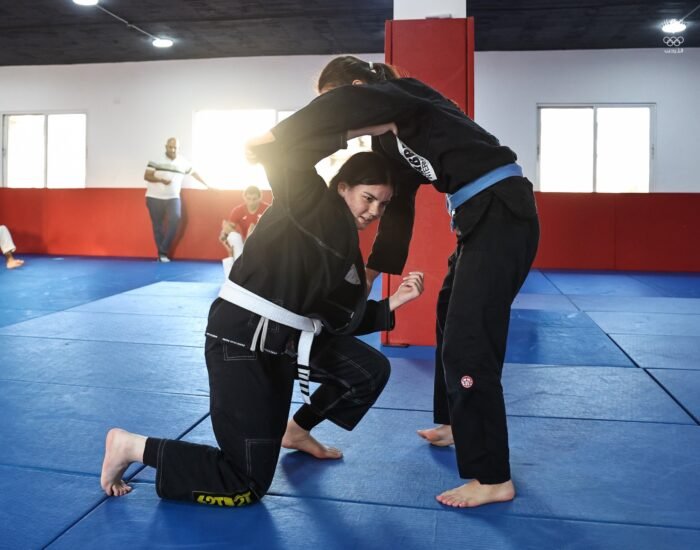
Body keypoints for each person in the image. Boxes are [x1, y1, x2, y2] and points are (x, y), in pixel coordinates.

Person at [266, 55, 540, 508]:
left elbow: (339, 110)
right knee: (449, 314)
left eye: (339, 99)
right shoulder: (389, 143)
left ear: (359, 89)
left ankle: (493, 477)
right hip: (476, 220)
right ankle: (455, 424)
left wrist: (277, 137)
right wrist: (372, 274)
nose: (341, 115)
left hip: (502, 212)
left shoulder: (407, 96)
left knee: (471, 341)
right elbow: (398, 209)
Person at [101, 132, 425, 505]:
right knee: (245, 484)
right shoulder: (307, 203)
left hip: (284, 343)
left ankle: (297, 430)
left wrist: (392, 303)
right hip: (243, 340)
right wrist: (354, 124)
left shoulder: (346, 251)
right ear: (342, 188)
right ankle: (132, 446)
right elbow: (287, 149)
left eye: (383, 205)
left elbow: (339, 320)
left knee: (369, 371)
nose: (374, 211)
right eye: (368, 198)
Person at [144, 137, 209, 262]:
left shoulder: (183, 162)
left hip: (173, 197)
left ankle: (162, 250)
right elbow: (147, 176)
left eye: (175, 148)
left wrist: (207, 185)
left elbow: (194, 173)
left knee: (176, 218)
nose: (173, 150)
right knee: (158, 226)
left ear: (178, 148)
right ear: (166, 147)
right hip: (154, 197)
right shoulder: (156, 159)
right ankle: (162, 255)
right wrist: (161, 180)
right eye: (170, 147)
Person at [219, 185, 270, 273]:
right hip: (245, 242)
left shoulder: (268, 209)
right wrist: (224, 233)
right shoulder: (238, 210)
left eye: (254, 199)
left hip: (263, 242)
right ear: (244, 197)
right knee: (233, 235)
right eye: (249, 199)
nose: (251, 202)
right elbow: (228, 229)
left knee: (253, 229)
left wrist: (254, 234)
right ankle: (239, 269)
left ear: (260, 198)